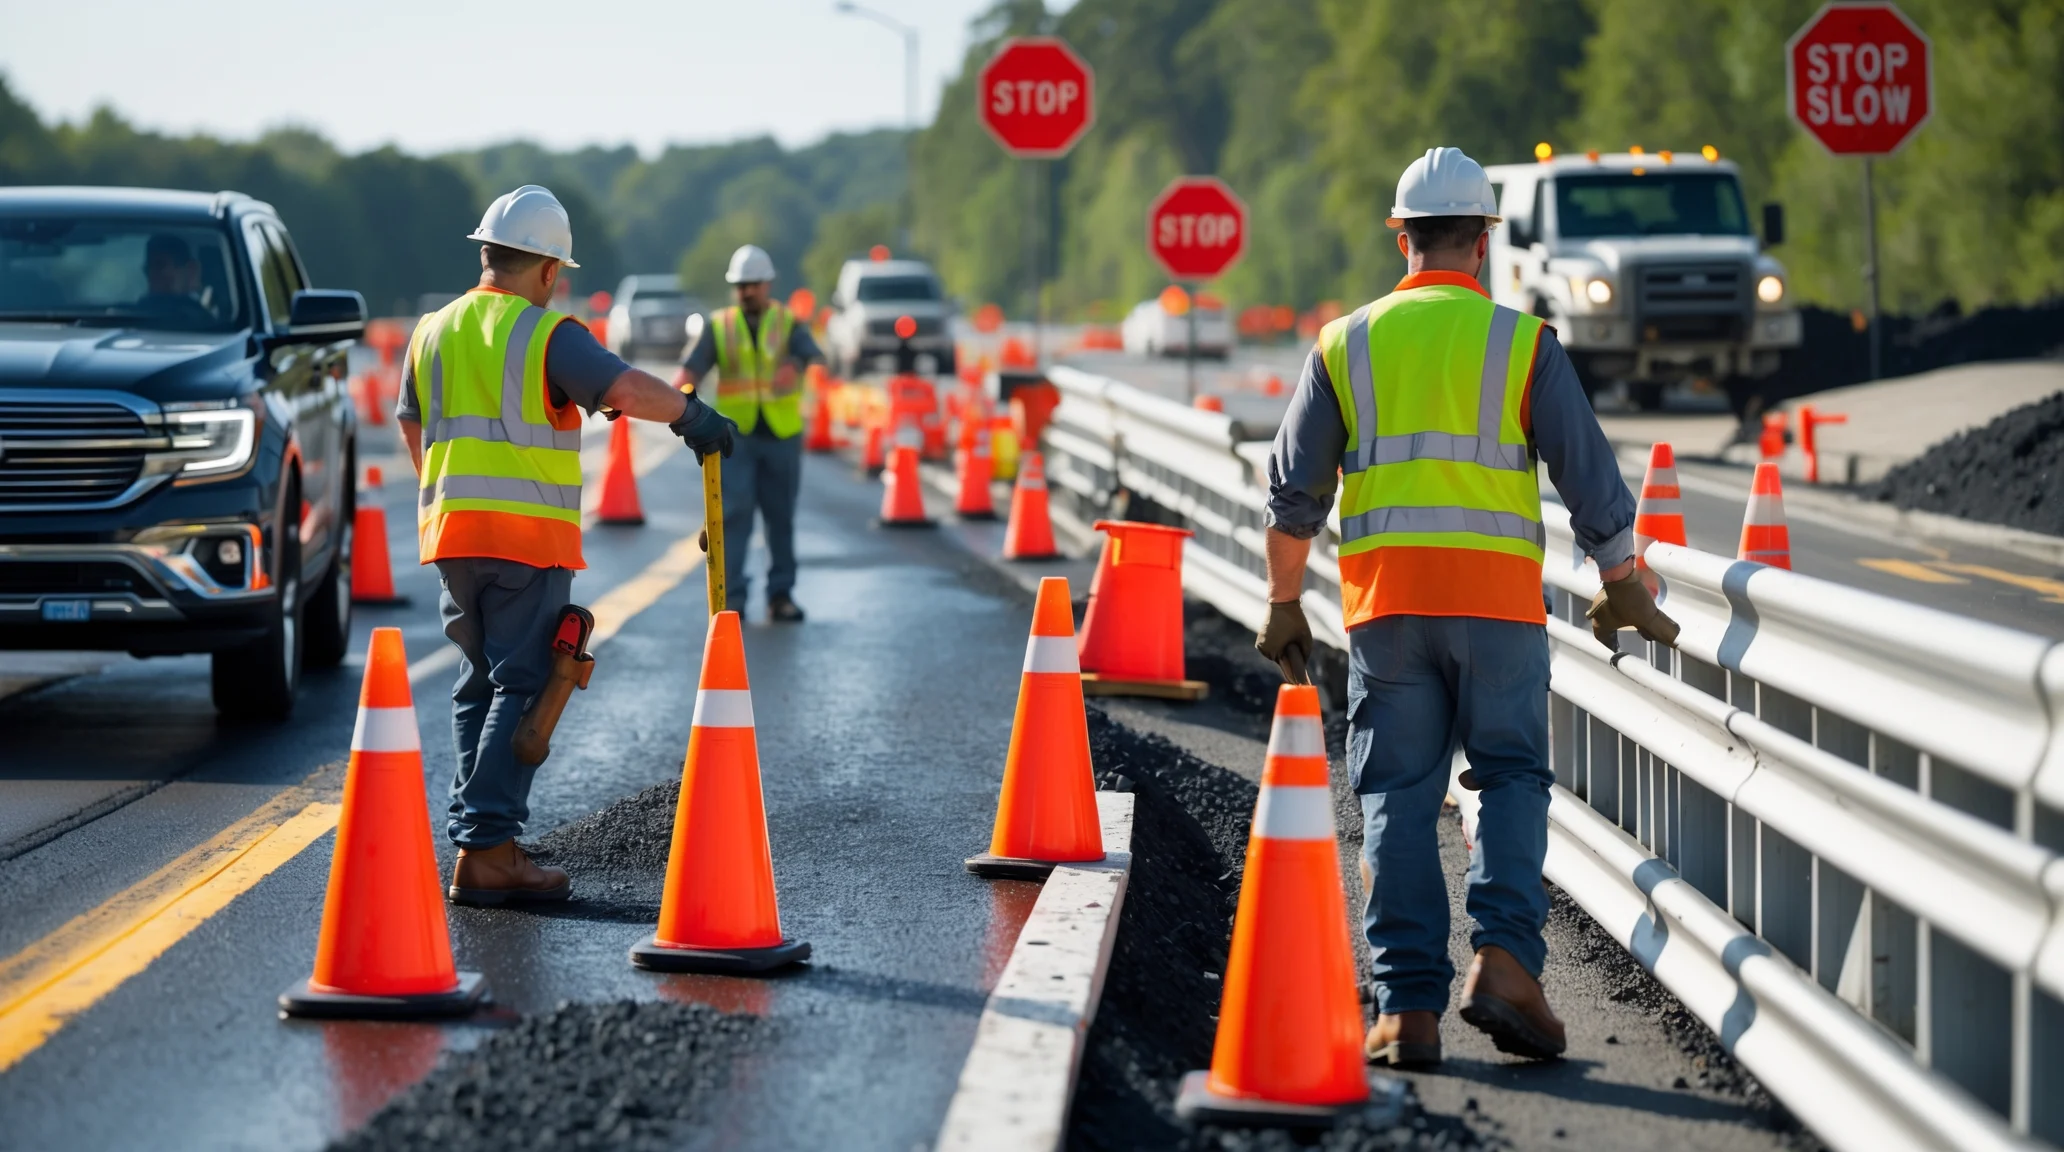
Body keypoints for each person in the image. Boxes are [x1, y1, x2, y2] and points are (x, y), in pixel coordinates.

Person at [1253, 148, 1678, 1068]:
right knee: (1512, 780)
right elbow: (1590, 477)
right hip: (1498, 610)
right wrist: (1620, 582)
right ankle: (1506, 967)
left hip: (1387, 610)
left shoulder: (1344, 343)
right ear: (1483, 243)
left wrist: (1284, 601)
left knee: (1398, 793)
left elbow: (1294, 497)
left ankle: (1407, 1009)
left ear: (1401, 239)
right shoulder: (1523, 344)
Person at [395, 185, 737, 906]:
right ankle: (487, 847)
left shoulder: (431, 331)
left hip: (452, 536)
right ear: (549, 270)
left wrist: (447, 490)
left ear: (486, 254)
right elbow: (630, 389)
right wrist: (694, 416)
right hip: (525, 539)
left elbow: (411, 424)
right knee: (526, 685)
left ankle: (486, 835)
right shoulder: (546, 334)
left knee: (478, 684)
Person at [674, 244, 825, 622]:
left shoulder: (788, 322)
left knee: (781, 518)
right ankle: (733, 599)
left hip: (781, 434)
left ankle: (781, 596)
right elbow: (691, 370)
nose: (747, 291)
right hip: (735, 439)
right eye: (741, 285)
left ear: (767, 284)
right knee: (734, 517)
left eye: (753, 284)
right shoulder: (720, 325)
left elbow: (814, 354)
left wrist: (794, 362)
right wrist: (678, 402)